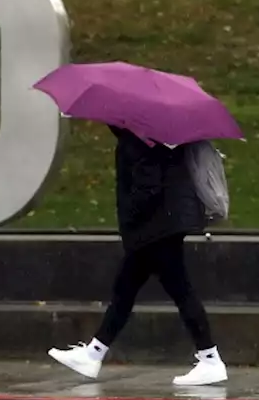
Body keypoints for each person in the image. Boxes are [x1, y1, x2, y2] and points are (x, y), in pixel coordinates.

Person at [48, 125, 226, 386]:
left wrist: (131, 224)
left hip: (155, 229)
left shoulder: (140, 138)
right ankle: (93, 353)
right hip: (164, 224)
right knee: (125, 289)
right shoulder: (161, 133)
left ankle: (211, 359)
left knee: (179, 290)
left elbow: (147, 186)